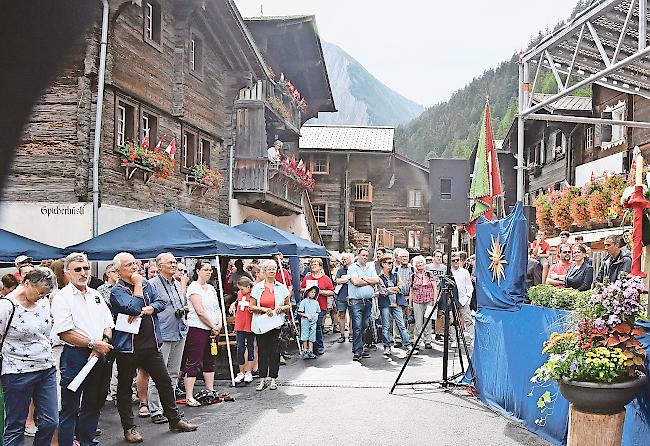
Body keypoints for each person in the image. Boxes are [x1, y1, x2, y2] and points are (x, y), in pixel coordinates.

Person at [110, 252, 196, 443]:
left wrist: (149, 309)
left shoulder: (147, 285)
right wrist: (139, 286)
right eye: (128, 266)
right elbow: (132, 308)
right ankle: (129, 428)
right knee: (124, 389)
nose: (134, 268)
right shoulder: (118, 290)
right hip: (128, 348)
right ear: (117, 270)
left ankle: (174, 419)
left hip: (151, 344)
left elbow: (160, 302)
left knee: (164, 381)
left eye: (134, 264)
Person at [50, 253, 114, 446]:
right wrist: (93, 344)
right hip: (75, 357)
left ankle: (87, 441)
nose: (83, 273)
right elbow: (64, 332)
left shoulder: (96, 295)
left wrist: (101, 344)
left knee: (93, 403)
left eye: (86, 268)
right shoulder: (62, 297)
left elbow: (108, 324)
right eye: (77, 269)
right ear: (67, 272)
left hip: (99, 355)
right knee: (70, 406)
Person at [0, 267, 59, 446]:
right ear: (26, 283)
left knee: (51, 422)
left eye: (45, 294)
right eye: (40, 293)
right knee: (15, 425)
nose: (42, 297)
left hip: (45, 368)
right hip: (17, 371)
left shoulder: (43, 302)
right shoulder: (6, 305)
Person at [146, 253, 189, 423]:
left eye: (174, 262)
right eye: (169, 262)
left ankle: (170, 408)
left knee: (173, 373)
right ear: (159, 266)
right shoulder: (152, 285)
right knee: (159, 374)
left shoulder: (177, 284)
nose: (173, 264)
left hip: (179, 331)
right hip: (162, 333)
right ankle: (156, 409)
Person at [183, 259, 222, 407]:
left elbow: (217, 308)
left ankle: (210, 389)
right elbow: (199, 311)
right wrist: (212, 325)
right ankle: (189, 395)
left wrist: (218, 324)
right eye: (206, 269)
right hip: (198, 328)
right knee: (194, 361)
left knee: (210, 359)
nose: (209, 272)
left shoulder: (211, 288)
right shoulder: (194, 287)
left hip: (213, 329)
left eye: (210, 270)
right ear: (198, 271)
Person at [249, 260, 291, 391]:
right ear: (264, 271)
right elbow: (251, 306)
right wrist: (262, 309)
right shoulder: (257, 287)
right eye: (270, 269)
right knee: (262, 351)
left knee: (275, 351)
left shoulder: (281, 287)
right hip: (262, 323)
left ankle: (273, 379)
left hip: (276, 323)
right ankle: (262, 379)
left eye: (274, 269)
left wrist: (282, 308)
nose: (272, 271)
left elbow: (288, 305)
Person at [377, 255, 415, 356]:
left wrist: (391, 289)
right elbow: (383, 291)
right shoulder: (378, 277)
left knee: (402, 325)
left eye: (392, 263)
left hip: (396, 303)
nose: (391, 265)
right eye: (389, 263)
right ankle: (387, 347)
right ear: (383, 264)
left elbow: (401, 287)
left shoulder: (395, 275)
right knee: (386, 327)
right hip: (385, 304)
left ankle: (408, 346)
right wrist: (394, 289)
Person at [347, 248, 380, 362]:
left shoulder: (370, 268)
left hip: (368, 301)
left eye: (366, 255)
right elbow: (355, 282)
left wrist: (364, 279)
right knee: (357, 326)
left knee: (364, 325)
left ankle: (359, 347)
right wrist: (368, 281)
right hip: (356, 301)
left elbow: (377, 280)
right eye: (363, 255)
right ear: (358, 255)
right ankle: (357, 351)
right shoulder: (352, 267)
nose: (365, 257)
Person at [300, 258, 334, 356]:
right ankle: (310, 348)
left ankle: (319, 347)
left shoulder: (326, 278)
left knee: (317, 326)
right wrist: (306, 290)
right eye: (312, 264)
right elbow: (301, 289)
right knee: (308, 326)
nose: (313, 266)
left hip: (320, 306)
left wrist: (320, 291)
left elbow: (331, 291)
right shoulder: (307, 278)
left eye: (316, 264)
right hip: (307, 306)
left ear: (320, 266)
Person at [228, 276, 255, 384]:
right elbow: (237, 301)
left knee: (250, 347)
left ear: (248, 287)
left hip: (249, 324)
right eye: (239, 289)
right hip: (240, 324)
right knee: (240, 348)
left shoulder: (253, 295)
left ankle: (248, 371)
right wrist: (233, 304)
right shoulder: (240, 294)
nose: (240, 291)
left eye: (242, 289)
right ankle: (241, 372)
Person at [408, 255, 437, 349]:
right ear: (415, 265)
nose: (420, 264)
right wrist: (410, 303)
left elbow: (435, 288)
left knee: (428, 321)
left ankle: (428, 341)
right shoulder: (412, 276)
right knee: (418, 322)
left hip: (429, 300)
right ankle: (417, 341)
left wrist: (435, 301)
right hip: (417, 301)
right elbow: (411, 290)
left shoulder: (429, 274)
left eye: (421, 262)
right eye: (418, 263)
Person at [451, 251, 474, 355]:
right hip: (452, 299)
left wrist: (468, 296)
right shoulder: (449, 272)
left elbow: (469, 286)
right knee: (453, 320)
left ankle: (473, 338)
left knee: (468, 319)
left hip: (463, 299)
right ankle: (455, 339)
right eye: (454, 260)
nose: (456, 262)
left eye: (458, 260)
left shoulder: (464, 272)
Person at [393, 248, 415, 346]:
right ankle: (397, 339)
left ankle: (410, 338)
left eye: (406, 256)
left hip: (411, 296)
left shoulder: (413, 269)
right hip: (399, 296)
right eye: (402, 257)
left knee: (411, 318)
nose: (404, 258)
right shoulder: (395, 269)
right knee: (398, 318)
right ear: (398, 258)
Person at [334, 253, 353, 343]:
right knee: (341, 315)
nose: (343, 260)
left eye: (345, 259)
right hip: (341, 295)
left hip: (352, 295)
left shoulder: (354, 269)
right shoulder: (340, 270)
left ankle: (351, 334)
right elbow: (337, 280)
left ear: (350, 259)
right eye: (342, 259)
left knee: (352, 316)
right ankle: (342, 335)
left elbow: (356, 280)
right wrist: (348, 279)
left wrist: (345, 279)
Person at [297, 286, 320, 360]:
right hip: (305, 322)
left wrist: (315, 316)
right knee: (305, 336)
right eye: (311, 292)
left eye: (314, 292)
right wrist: (306, 315)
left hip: (313, 322)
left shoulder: (316, 302)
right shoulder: (304, 302)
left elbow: (318, 311)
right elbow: (300, 312)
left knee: (312, 336)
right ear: (307, 292)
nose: (313, 294)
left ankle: (310, 351)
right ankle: (305, 351)